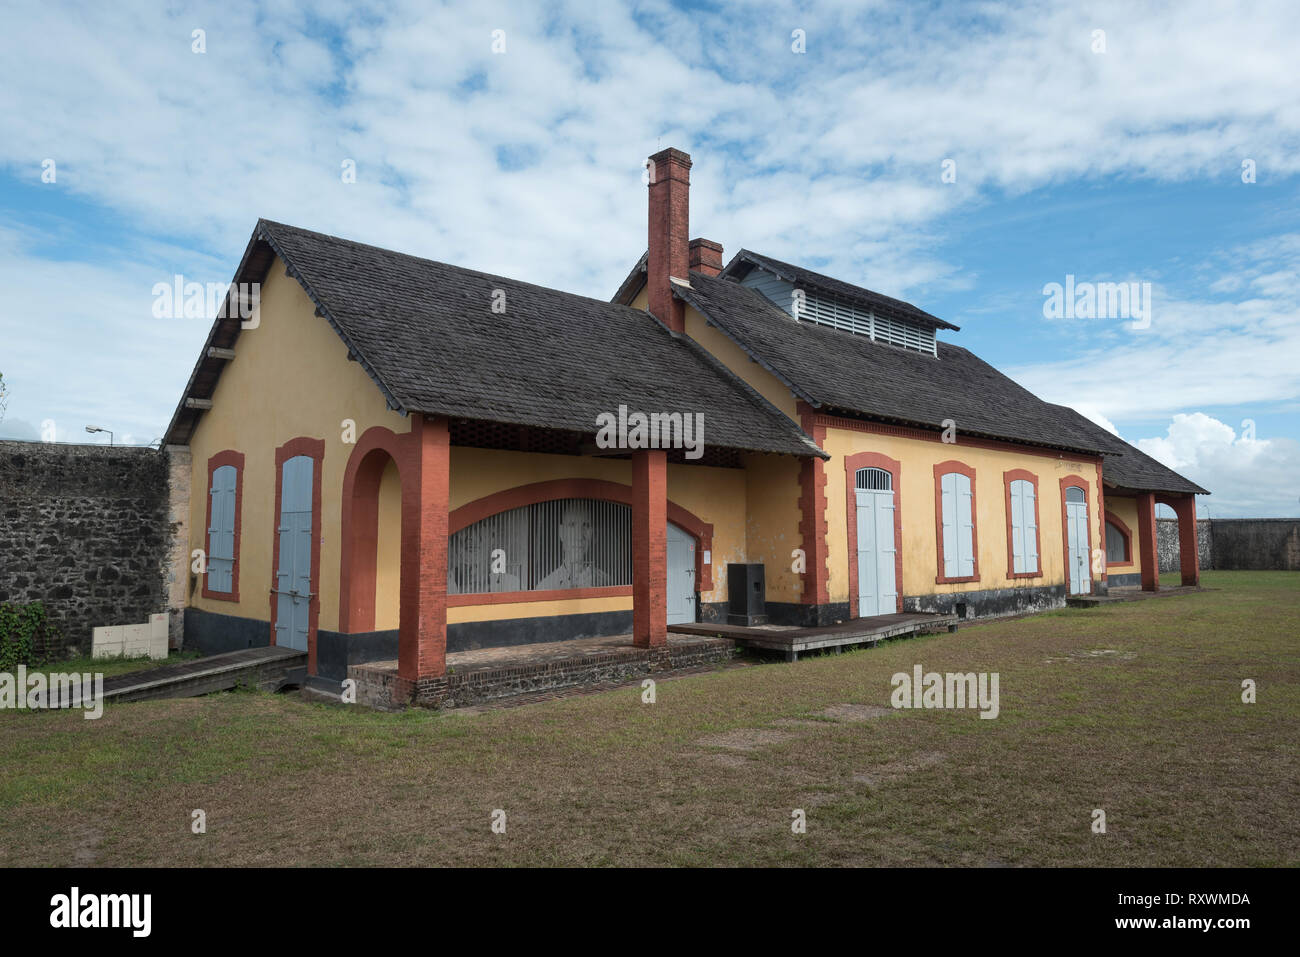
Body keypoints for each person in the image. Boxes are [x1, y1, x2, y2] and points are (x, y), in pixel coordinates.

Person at [536, 501, 611, 589]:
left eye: (586, 525)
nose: (579, 536)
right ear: (561, 533)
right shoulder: (544, 588)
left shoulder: (607, 583)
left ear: (594, 534)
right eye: (572, 525)